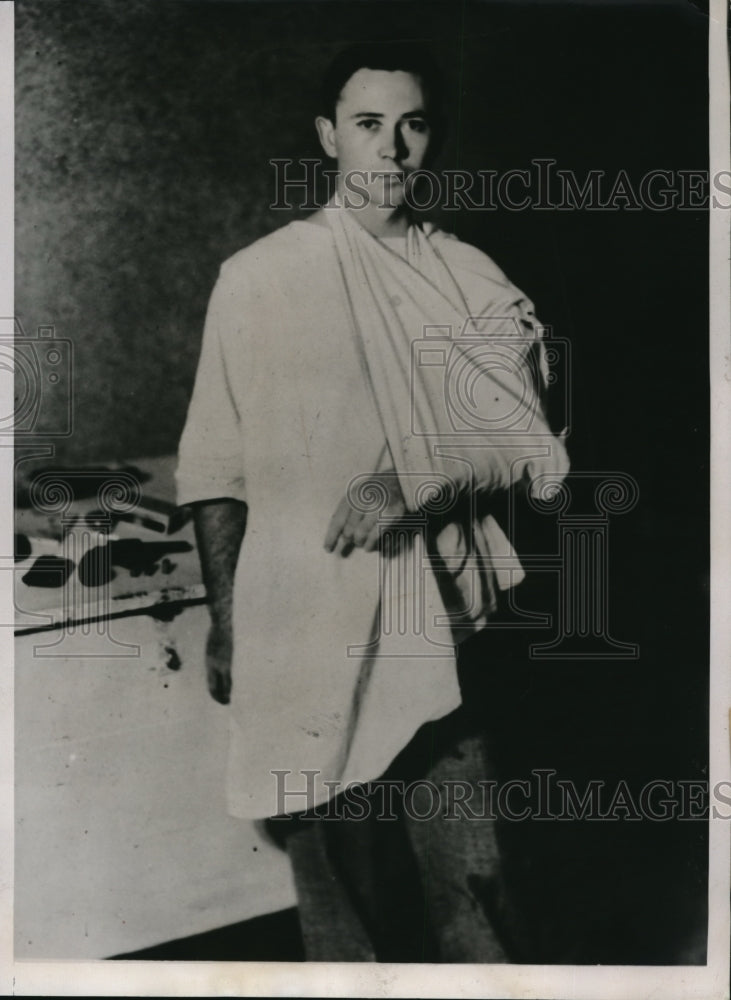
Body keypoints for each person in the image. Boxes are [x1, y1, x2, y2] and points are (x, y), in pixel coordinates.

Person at [175, 42, 569, 962]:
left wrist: (417, 476)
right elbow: (216, 466)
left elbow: (528, 443)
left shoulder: (466, 274)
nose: (391, 148)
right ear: (328, 137)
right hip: (305, 624)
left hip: (445, 622)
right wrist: (230, 620)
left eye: (412, 125)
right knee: (341, 899)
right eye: (367, 124)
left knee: (474, 888)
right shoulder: (259, 277)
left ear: (433, 139)